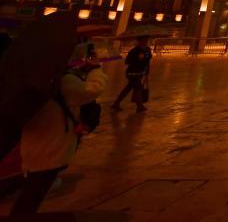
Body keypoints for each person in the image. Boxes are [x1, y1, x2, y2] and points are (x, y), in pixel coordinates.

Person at [11, 43, 108, 215]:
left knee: (33, 188)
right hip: (52, 144)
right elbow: (91, 91)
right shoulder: (62, 80)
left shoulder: (28, 79)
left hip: (33, 143)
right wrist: (95, 70)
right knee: (33, 194)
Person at [111, 36, 151, 113]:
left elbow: (147, 60)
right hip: (132, 73)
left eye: (146, 40)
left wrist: (147, 70)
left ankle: (116, 103)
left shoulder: (147, 50)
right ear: (139, 41)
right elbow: (127, 61)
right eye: (143, 40)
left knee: (128, 88)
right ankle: (140, 106)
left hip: (140, 73)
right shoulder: (135, 50)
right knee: (138, 88)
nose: (145, 42)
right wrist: (138, 60)